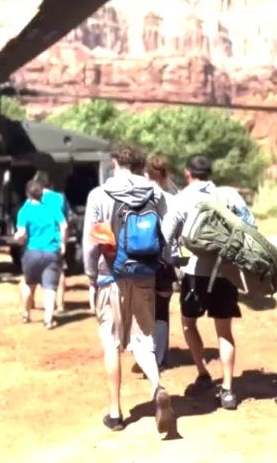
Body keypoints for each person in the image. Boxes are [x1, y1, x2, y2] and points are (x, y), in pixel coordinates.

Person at [82, 144, 175, 434]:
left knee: (111, 343)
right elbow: (167, 230)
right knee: (144, 338)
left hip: (111, 274)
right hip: (145, 274)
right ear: (140, 165)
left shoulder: (99, 194)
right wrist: (164, 261)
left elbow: (91, 243)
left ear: (114, 163)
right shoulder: (155, 192)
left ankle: (115, 413)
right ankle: (157, 387)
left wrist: (90, 277)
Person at [161, 154, 255, 411]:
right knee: (224, 332)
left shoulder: (182, 199)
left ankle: (203, 372)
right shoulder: (229, 195)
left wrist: (173, 265)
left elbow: (166, 237)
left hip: (194, 272)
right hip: (226, 272)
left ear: (188, 173)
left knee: (188, 324)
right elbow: (250, 226)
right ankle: (227, 390)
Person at [14, 179, 67, 329]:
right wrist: (62, 243)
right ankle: (48, 320)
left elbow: (22, 233)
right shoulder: (52, 208)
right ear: (42, 193)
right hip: (51, 252)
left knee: (29, 283)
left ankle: (25, 314)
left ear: (27, 193)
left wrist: (18, 239)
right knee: (49, 287)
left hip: (32, 252)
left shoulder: (24, 211)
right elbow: (64, 225)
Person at [145, 156, 179, 369]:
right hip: (165, 260)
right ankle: (159, 356)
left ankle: (143, 351)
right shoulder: (173, 199)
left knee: (141, 306)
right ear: (165, 174)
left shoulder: (137, 195)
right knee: (161, 309)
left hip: (138, 258)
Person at [31, 171, 69, 313]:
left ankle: (29, 305)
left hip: (35, 241)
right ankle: (60, 305)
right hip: (55, 240)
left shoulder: (32, 198)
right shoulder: (59, 197)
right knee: (58, 272)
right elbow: (65, 218)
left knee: (32, 273)